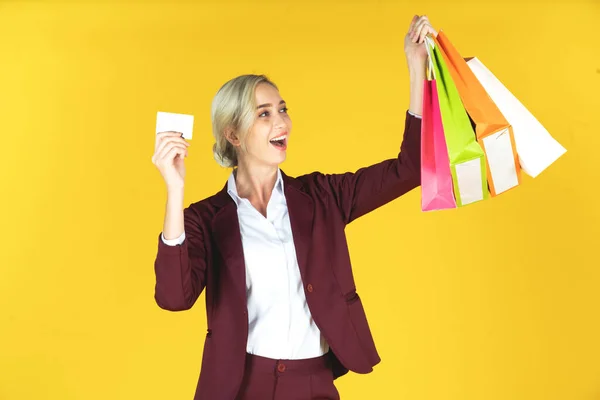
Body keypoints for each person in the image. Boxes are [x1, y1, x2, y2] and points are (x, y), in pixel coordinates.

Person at [152, 14, 436, 400]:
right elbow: (174, 298)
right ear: (232, 133)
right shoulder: (205, 220)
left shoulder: (323, 197)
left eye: (282, 109)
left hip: (313, 382)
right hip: (240, 386)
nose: (281, 122)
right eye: (264, 114)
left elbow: (408, 169)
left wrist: (416, 67)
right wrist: (174, 190)